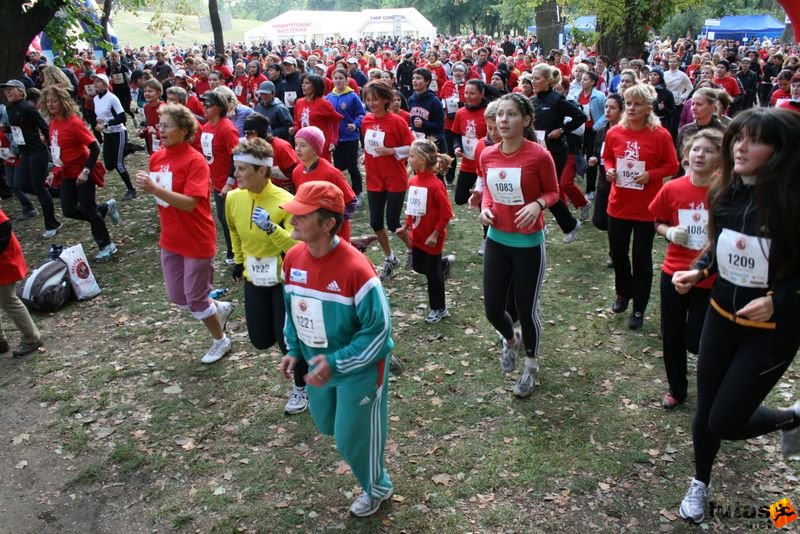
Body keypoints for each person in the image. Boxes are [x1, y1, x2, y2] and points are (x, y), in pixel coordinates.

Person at [672, 108, 800, 524]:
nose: (741, 146)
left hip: (773, 331)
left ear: (780, 151)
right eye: (738, 137)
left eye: (755, 140)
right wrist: (701, 269)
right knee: (706, 408)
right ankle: (701, 481)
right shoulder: (724, 192)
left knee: (725, 419)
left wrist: (778, 300)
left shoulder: (793, 202)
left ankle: (791, 418)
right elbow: (719, 244)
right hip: (721, 315)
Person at [280, 180, 395, 518]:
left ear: (328, 223)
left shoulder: (357, 270)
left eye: (302, 215)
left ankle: (378, 487)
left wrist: (337, 362)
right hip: (319, 365)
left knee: (350, 437)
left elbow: (379, 332)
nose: (292, 220)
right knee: (327, 424)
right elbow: (292, 310)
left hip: (359, 369)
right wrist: (293, 349)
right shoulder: (293, 259)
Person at [134, 103, 235, 364]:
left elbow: (190, 202)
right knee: (179, 298)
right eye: (160, 125)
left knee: (196, 299)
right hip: (171, 237)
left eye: (167, 126)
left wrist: (154, 189)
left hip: (196, 237)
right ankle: (218, 308)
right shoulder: (157, 157)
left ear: (183, 130)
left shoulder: (195, 161)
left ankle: (220, 341)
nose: (161, 130)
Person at [479, 93, 559, 399]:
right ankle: (511, 340)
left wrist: (538, 204)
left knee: (527, 311)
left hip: (528, 244)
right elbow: (488, 189)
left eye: (511, 115)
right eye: (500, 115)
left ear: (525, 121)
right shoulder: (488, 155)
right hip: (497, 240)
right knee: (493, 310)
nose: (503, 120)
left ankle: (530, 367)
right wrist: (485, 208)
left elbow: (553, 192)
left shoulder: (539, 155)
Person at [225, 138, 308, 414]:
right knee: (261, 339)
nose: (235, 175)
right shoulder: (234, 198)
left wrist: (272, 229)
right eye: (235, 168)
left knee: (285, 340)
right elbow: (234, 231)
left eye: (242, 169)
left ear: (262, 171)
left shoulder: (285, 201)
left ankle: (302, 387)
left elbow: (298, 247)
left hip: (283, 280)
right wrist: (238, 262)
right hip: (253, 277)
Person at [649, 129, 722, 409]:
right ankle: (677, 388)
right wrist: (668, 232)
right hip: (675, 273)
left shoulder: (725, 191)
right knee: (672, 333)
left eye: (708, 150)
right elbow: (657, 221)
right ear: (686, 155)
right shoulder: (673, 188)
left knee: (696, 339)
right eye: (695, 149)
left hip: (711, 277)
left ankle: (711, 383)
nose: (700, 155)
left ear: (719, 158)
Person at [603, 84, 680, 330]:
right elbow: (607, 157)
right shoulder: (615, 132)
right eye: (629, 103)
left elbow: (672, 165)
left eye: (637, 104)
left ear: (649, 107)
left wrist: (651, 175)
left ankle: (639, 307)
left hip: (647, 207)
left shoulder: (660, 135)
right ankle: (623, 293)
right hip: (619, 203)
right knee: (617, 252)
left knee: (641, 257)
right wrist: (609, 170)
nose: (632, 108)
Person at [42, 85, 119, 262]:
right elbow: (57, 151)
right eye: (48, 101)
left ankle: (107, 245)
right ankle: (105, 208)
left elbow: (94, 147)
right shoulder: (53, 123)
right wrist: (54, 171)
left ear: (63, 101)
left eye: (54, 101)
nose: (51, 104)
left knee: (88, 209)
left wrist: (85, 171)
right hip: (66, 173)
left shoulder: (73, 122)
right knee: (69, 210)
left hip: (83, 172)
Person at [395, 138, 456, 323]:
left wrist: (435, 233)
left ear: (422, 159)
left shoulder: (436, 185)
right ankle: (443, 264)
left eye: (412, 156)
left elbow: (446, 213)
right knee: (418, 266)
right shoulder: (413, 181)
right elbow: (413, 208)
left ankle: (439, 308)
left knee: (432, 276)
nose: (409, 159)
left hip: (432, 238)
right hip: (418, 235)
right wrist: (406, 226)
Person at [360, 81, 415, 280]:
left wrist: (391, 151)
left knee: (393, 222)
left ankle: (412, 250)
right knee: (375, 222)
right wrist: (364, 155)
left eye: (375, 99)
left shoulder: (397, 121)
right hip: (374, 178)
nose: (371, 103)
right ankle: (390, 258)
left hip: (395, 178)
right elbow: (368, 144)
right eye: (368, 99)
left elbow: (413, 148)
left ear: (385, 99)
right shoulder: (365, 121)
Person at [530, 64, 585, 243]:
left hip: (556, 151)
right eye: (532, 77)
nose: (533, 81)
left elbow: (580, 116)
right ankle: (558, 225)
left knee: (545, 190)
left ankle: (566, 224)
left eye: (537, 78)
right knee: (537, 190)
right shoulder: (532, 101)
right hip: (537, 150)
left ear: (548, 80)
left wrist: (562, 130)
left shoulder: (557, 100)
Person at [1, 79, 61, 236]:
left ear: (21, 92)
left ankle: (52, 224)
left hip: (37, 151)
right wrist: (5, 128)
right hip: (25, 152)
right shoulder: (10, 109)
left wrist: (52, 150)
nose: (7, 92)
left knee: (38, 187)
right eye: (5, 90)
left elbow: (44, 127)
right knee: (20, 183)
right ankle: (57, 193)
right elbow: (18, 129)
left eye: (10, 89)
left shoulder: (28, 107)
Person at [291, 126, 357, 241]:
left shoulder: (330, 172)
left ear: (316, 148)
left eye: (303, 145)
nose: (298, 149)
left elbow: (351, 202)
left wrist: (333, 224)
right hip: (311, 231)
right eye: (296, 144)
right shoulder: (296, 172)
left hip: (333, 232)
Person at [198, 90, 240, 265]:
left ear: (219, 107)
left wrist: (229, 182)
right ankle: (231, 251)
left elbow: (236, 156)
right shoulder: (207, 127)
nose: (204, 107)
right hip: (216, 182)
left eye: (208, 105)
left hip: (231, 184)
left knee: (233, 219)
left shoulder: (227, 128)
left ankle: (239, 254)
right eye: (203, 104)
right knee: (223, 219)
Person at [0, 207, 43, 358]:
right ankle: (1, 341)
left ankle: (32, 338)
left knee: (8, 300)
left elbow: (4, 228)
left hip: (3, 261)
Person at [92, 73, 136, 201]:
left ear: (105, 84)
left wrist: (106, 124)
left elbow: (122, 117)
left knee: (118, 164)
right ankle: (127, 148)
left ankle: (131, 190)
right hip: (107, 134)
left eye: (98, 81)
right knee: (109, 165)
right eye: (94, 81)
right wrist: (99, 124)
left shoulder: (112, 98)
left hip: (119, 132)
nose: (95, 83)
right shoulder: (95, 99)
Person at [326, 69, 366, 203]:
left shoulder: (353, 96)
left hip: (350, 137)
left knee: (352, 166)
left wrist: (355, 124)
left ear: (346, 80)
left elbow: (361, 114)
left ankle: (358, 193)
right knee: (337, 166)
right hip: (336, 138)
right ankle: (340, 192)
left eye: (341, 78)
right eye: (335, 78)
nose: (338, 81)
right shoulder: (329, 97)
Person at [451, 79, 487, 206]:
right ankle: (479, 200)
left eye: (472, 93)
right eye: (466, 93)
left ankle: (484, 204)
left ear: (482, 94)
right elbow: (455, 134)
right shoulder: (460, 113)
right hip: (467, 163)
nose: (468, 96)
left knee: (485, 205)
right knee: (459, 198)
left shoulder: (488, 113)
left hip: (485, 165)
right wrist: (457, 147)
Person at [291, 74, 342, 163]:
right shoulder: (299, 102)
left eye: (307, 83)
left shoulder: (324, 103)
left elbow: (336, 120)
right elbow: (297, 121)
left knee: (321, 170)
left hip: (320, 144)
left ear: (315, 86)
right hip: (303, 143)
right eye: (302, 83)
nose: (303, 85)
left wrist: (333, 141)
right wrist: (294, 129)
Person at [676, 88, 727, 159]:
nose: (694, 108)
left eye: (699, 104)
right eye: (692, 104)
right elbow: (679, 158)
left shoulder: (723, 132)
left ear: (712, 107)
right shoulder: (685, 130)